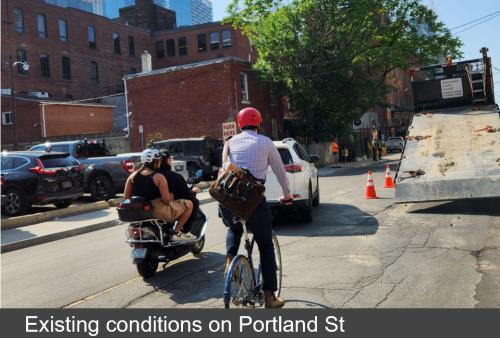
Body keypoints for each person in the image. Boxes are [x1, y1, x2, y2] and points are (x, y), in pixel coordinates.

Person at [220, 107, 293, 308]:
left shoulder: (229, 143)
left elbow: (223, 171)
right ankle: (270, 296)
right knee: (265, 246)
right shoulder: (265, 142)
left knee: (233, 228)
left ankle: (229, 260)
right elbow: (279, 170)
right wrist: (286, 194)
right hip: (253, 199)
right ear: (258, 124)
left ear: (239, 124)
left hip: (229, 199)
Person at [124, 149, 194, 242]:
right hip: (158, 211)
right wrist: (170, 196)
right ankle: (176, 233)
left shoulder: (132, 176)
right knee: (189, 204)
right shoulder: (158, 177)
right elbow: (166, 200)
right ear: (155, 162)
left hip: (141, 212)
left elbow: (127, 198)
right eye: (159, 160)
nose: (160, 162)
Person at [158, 149, 200, 235]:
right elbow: (185, 194)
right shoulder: (173, 176)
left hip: (149, 209)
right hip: (163, 209)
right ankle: (183, 231)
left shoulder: (140, 176)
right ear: (168, 159)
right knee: (192, 202)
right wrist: (194, 192)